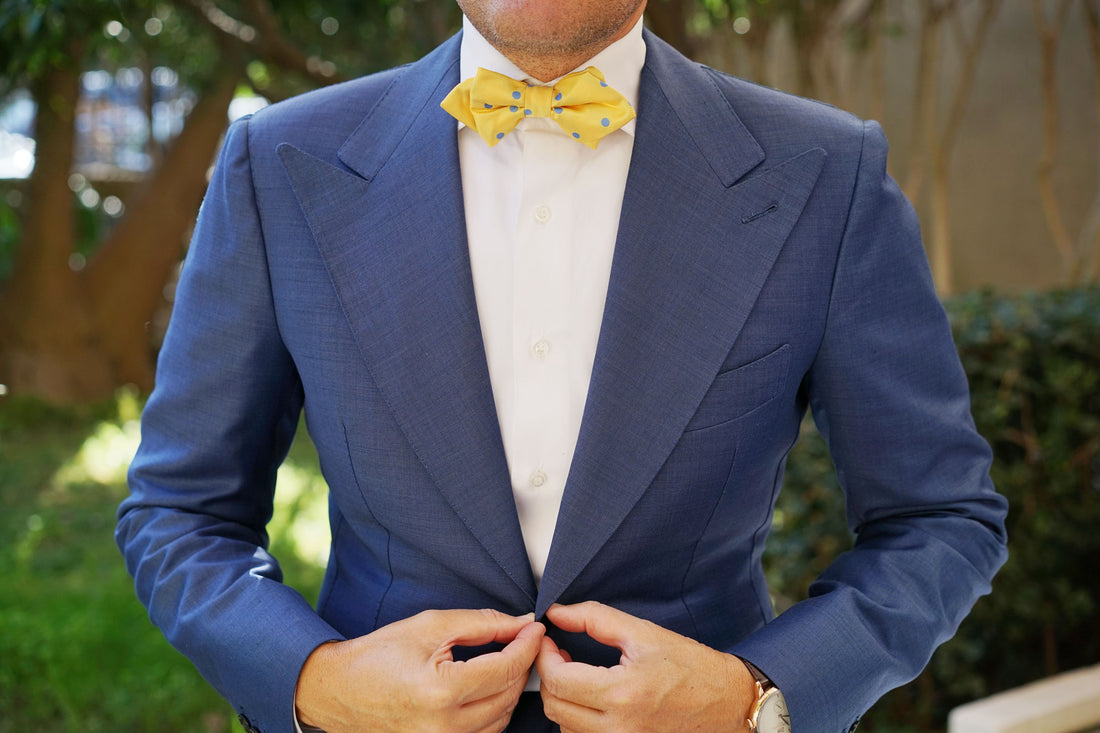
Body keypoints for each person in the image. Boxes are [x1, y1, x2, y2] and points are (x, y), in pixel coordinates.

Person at [116, 1, 1009, 732]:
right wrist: (316, 680)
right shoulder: (277, 165)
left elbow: (939, 517)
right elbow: (180, 512)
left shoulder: (826, 174)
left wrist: (756, 697)